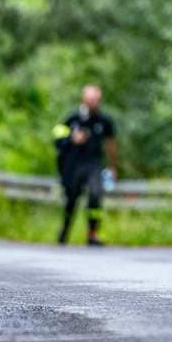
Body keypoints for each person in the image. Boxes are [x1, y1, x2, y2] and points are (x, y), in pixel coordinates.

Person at [52, 85, 118, 246]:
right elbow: (57, 141)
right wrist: (72, 138)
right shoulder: (71, 119)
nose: (94, 103)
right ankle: (64, 231)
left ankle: (93, 234)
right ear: (84, 99)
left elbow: (111, 144)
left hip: (94, 164)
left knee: (95, 194)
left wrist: (112, 167)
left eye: (97, 100)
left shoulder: (104, 121)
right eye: (91, 100)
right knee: (71, 199)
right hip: (74, 165)